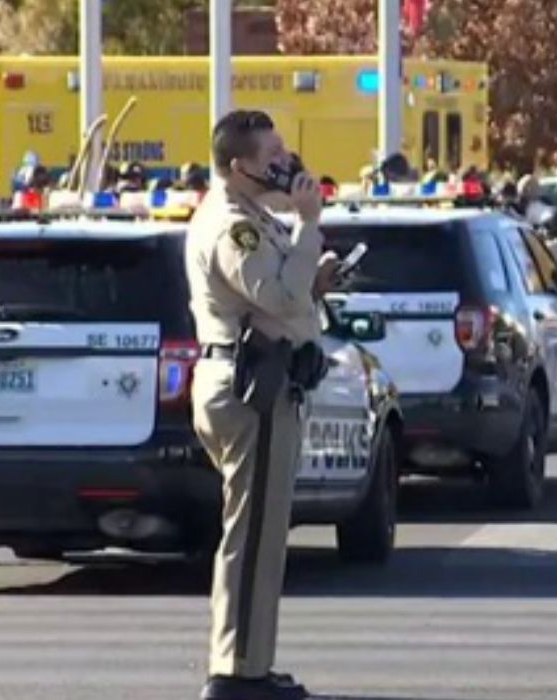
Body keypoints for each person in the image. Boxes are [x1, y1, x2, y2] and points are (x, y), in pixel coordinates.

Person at [186, 109, 341, 700]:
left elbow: (285, 291)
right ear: (239, 166)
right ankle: (235, 674)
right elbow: (273, 290)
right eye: (272, 155)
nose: (285, 163)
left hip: (266, 379)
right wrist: (307, 225)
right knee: (251, 536)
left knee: (265, 532)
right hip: (252, 385)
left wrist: (315, 274)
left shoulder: (256, 218)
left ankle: (251, 663)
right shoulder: (234, 224)